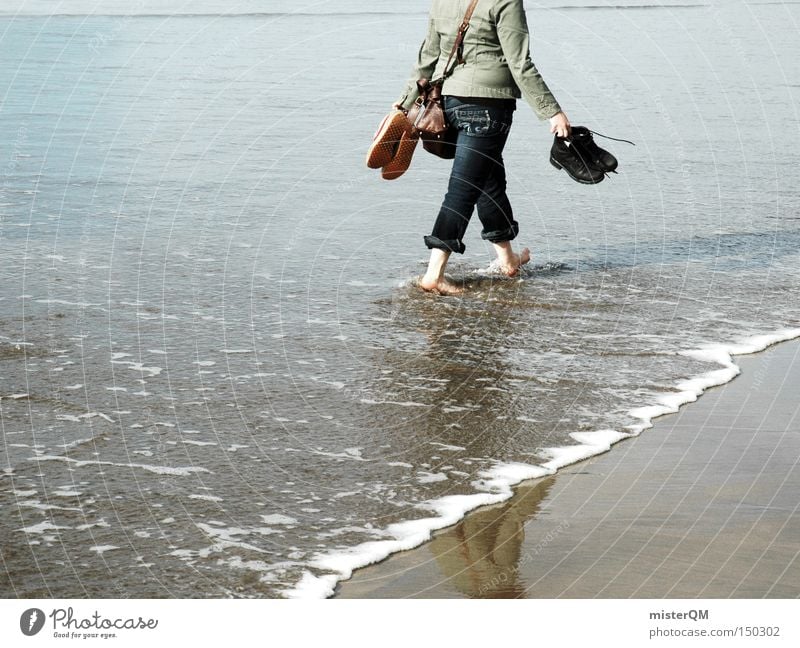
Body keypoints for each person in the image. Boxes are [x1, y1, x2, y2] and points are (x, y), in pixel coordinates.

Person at [393, 0, 570, 295]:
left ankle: (507, 259)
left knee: (488, 178)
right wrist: (553, 111)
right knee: (463, 188)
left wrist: (403, 104)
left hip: (448, 103)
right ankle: (434, 274)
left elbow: (427, 56)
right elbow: (519, 62)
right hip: (488, 106)